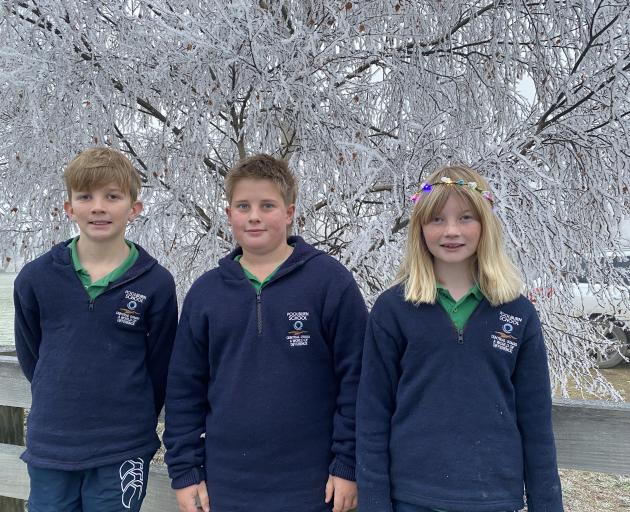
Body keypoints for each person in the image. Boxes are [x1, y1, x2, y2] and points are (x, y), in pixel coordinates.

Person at [164, 154, 367, 512]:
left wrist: (347, 464)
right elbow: (184, 390)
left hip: (314, 486)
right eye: (243, 206)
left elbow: (358, 381)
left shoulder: (330, 283)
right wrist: (185, 471)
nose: (254, 215)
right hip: (226, 486)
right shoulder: (207, 293)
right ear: (229, 215)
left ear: (289, 213)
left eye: (267, 205)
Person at [356, 165, 564, 512]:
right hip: (412, 497)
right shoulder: (393, 309)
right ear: (420, 229)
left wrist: (548, 505)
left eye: (465, 217)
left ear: (485, 225)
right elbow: (372, 415)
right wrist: (375, 503)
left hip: (495, 497)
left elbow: (536, 422)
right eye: (437, 219)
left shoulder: (517, 312)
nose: (451, 231)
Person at [13, 147, 178, 512]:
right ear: (69, 207)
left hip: (123, 447)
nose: (98, 207)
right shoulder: (36, 278)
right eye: (85, 196)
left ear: (134, 208)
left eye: (112, 196)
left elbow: (161, 365)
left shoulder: (156, 283)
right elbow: (32, 356)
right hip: (52, 443)